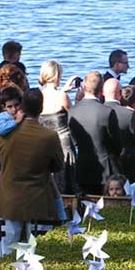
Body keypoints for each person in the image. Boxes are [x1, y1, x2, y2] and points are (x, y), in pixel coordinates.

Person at [0, 88, 65, 250]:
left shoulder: (4, 135)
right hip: (40, 203)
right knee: (38, 253)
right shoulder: (49, 136)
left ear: (23, 107)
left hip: (10, 203)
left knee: (8, 255)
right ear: (41, 108)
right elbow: (58, 166)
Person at [68, 71, 122, 194]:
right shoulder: (107, 112)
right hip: (106, 170)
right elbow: (117, 145)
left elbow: (74, 141)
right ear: (101, 89)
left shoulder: (72, 112)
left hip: (83, 168)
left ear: (84, 87)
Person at [36, 61, 77, 195]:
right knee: (67, 179)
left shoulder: (38, 96)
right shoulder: (61, 96)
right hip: (62, 142)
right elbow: (73, 115)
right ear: (57, 75)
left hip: (44, 143)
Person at [103, 78, 135, 182]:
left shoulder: (96, 111)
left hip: (102, 164)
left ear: (103, 93)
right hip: (127, 164)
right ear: (120, 93)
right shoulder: (128, 114)